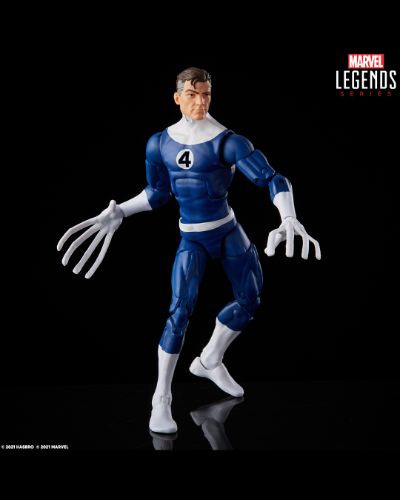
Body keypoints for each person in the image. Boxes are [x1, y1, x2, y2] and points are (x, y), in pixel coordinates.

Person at [58, 67, 321, 434]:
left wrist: (288, 216)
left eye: (206, 94)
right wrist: (122, 212)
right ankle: (161, 398)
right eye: (192, 94)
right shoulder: (158, 144)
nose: (200, 102)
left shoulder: (228, 142)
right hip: (192, 239)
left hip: (227, 231)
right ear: (177, 97)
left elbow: (272, 178)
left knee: (250, 299)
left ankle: (210, 359)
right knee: (179, 312)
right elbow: (158, 193)